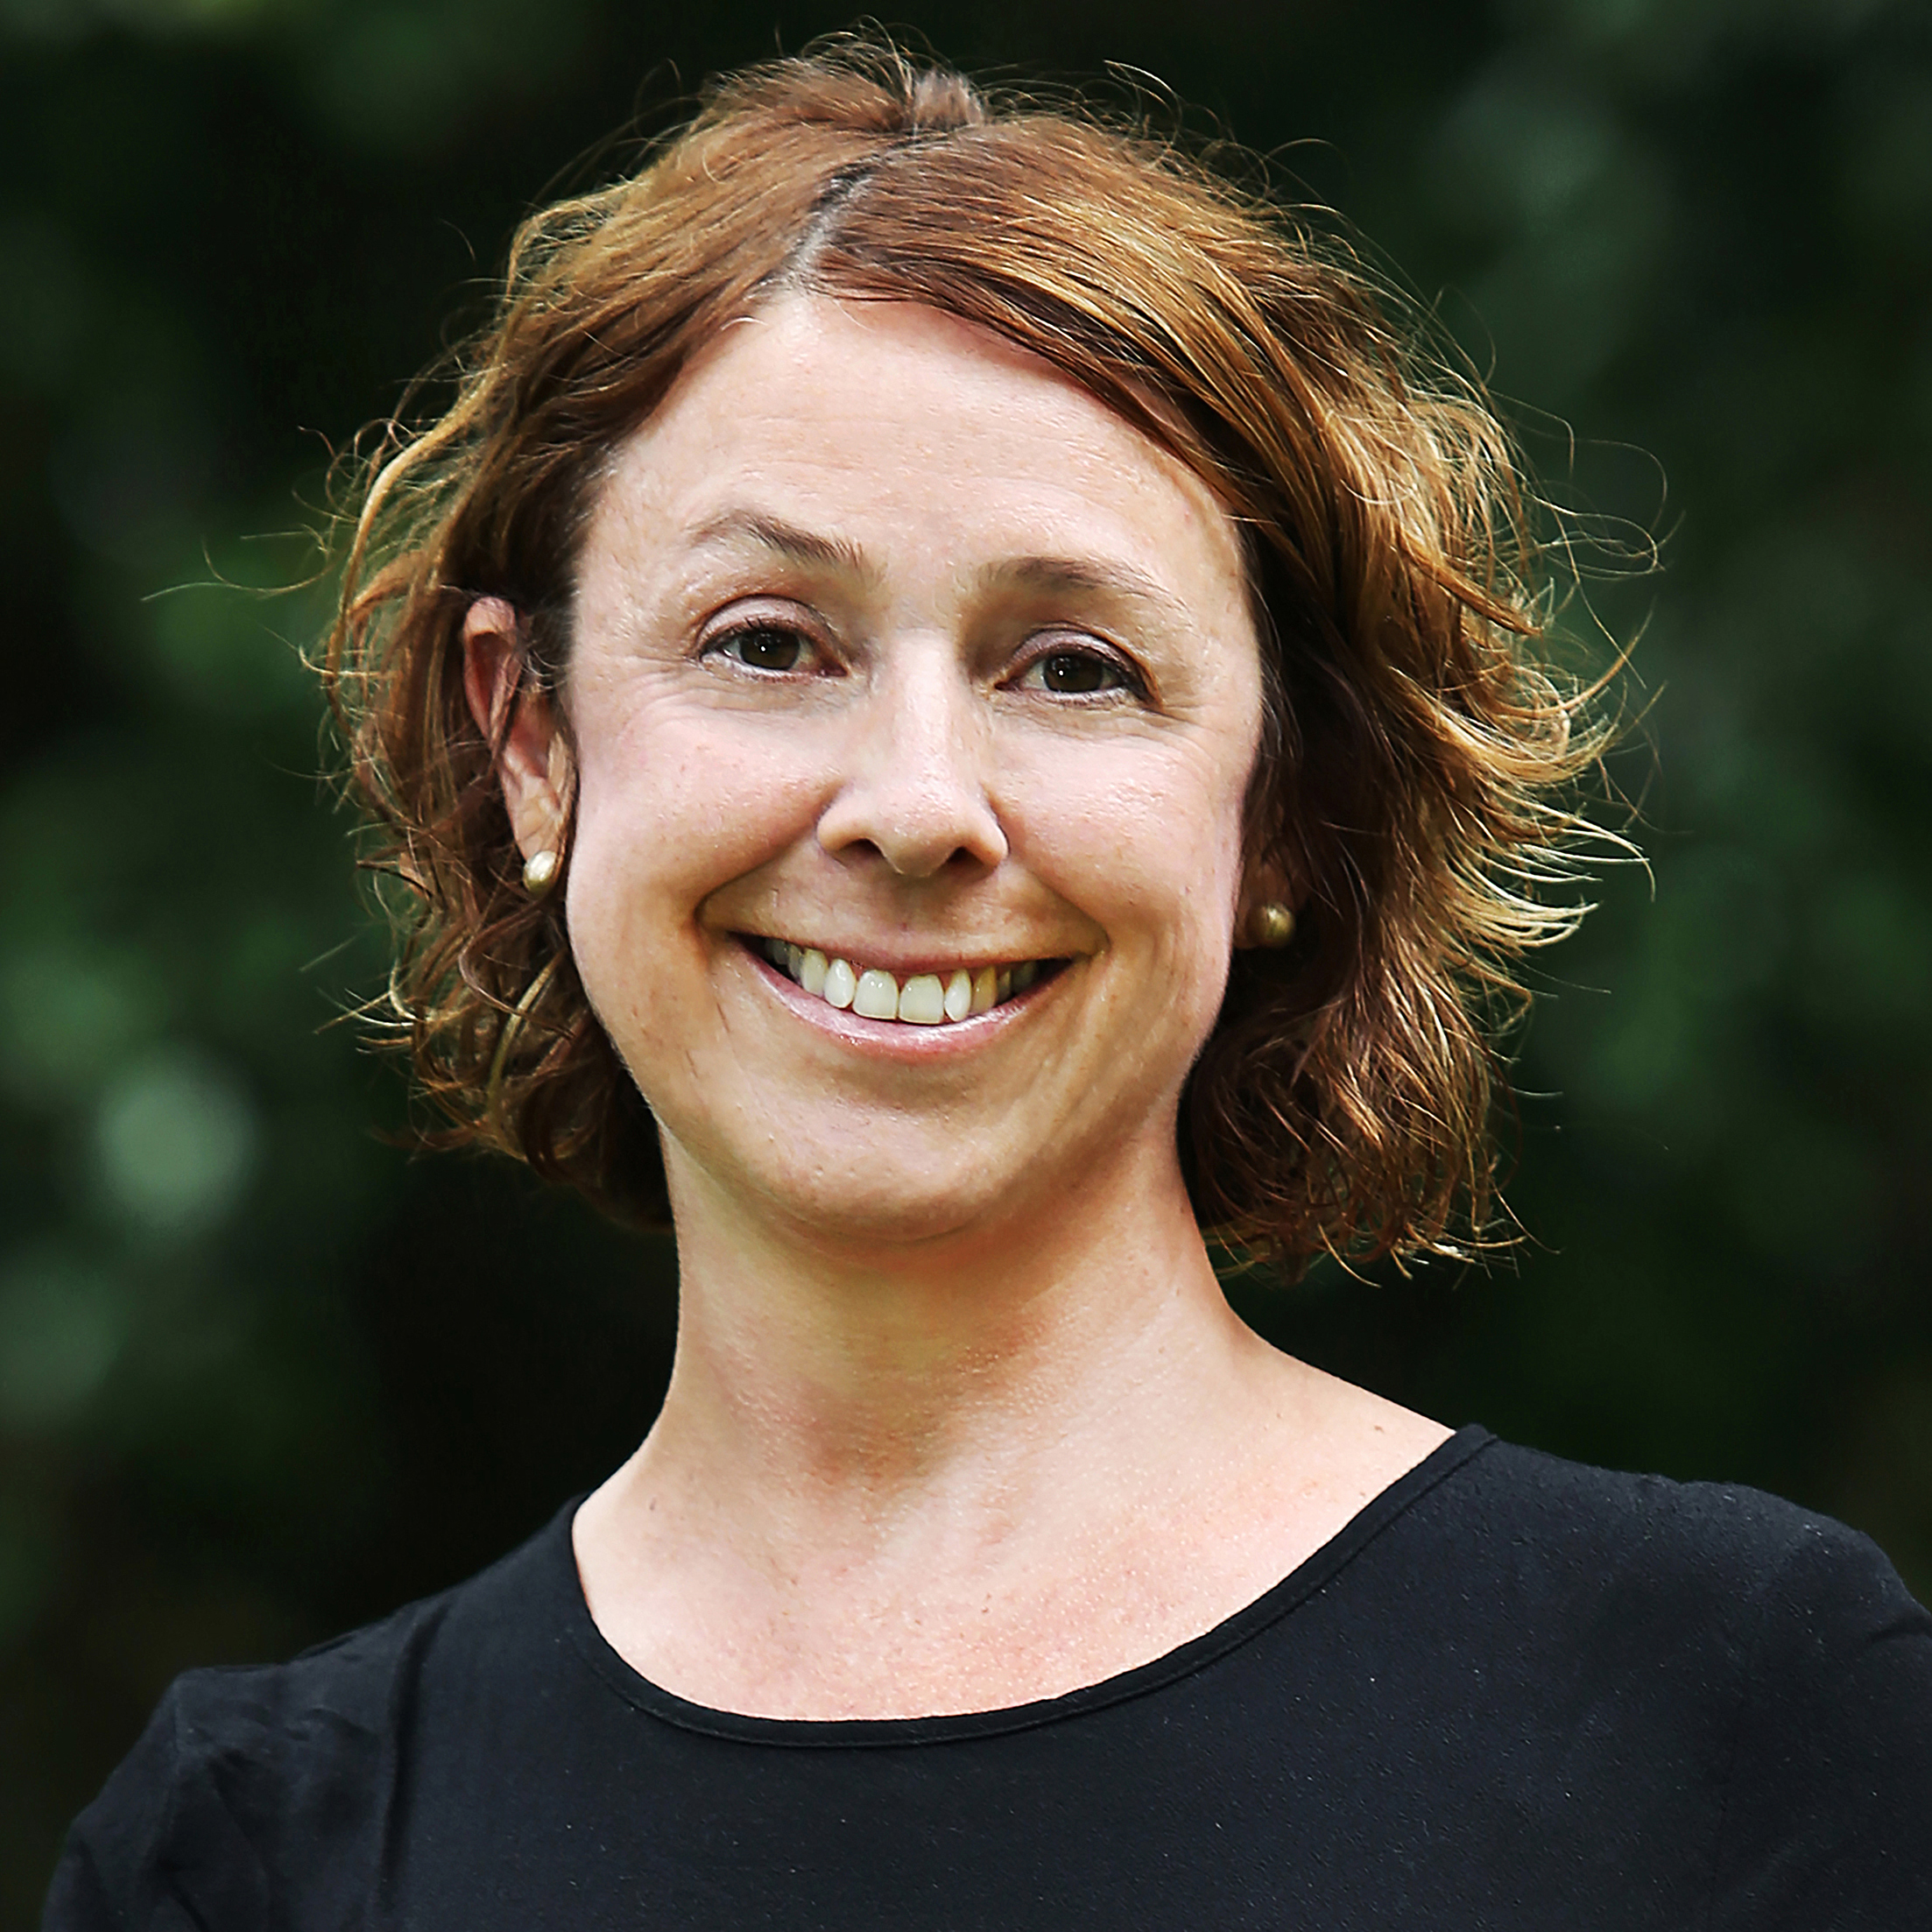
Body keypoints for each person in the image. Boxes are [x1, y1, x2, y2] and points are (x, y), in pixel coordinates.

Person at [44, 40, 1932, 1931]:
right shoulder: (253, 1851)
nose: (918, 806)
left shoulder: (1735, 1710)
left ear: (1276, 806)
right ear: (531, 738)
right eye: (767, 640)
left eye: (1073, 667)